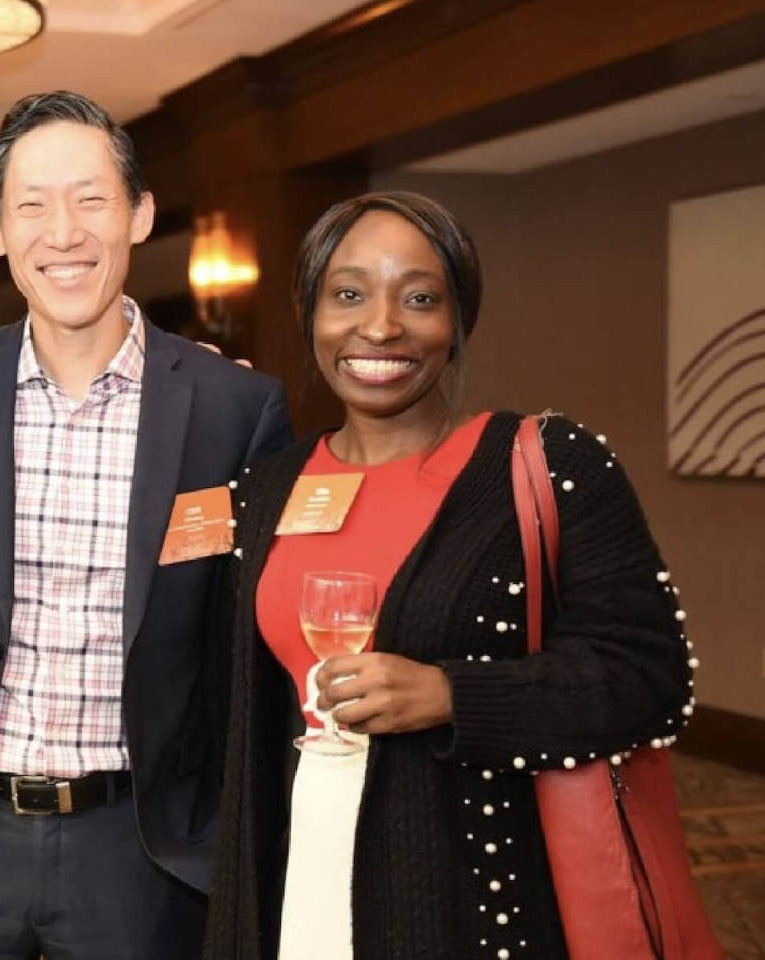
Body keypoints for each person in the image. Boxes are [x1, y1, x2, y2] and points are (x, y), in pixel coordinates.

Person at [202, 192, 696, 960]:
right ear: (311, 316)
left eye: (421, 298)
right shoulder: (268, 487)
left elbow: (650, 677)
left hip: (471, 878)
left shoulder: (547, 463)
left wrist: (449, 695)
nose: (382, 325)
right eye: (349, 294)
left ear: (457, 322)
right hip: (303, 865)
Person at [0, 90, 294, 960]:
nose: (64, 233)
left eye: (92, 199)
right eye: (32, 205)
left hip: (141, 844)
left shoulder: (233, 406)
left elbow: (246, 652)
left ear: (139, 215)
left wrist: (238, 830)